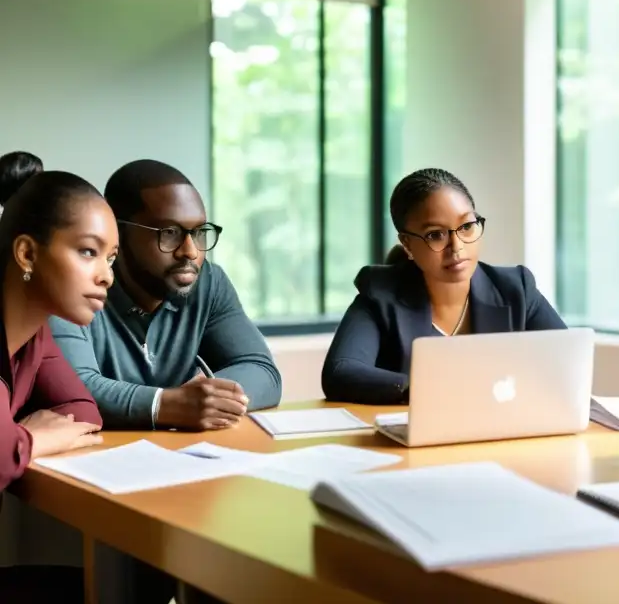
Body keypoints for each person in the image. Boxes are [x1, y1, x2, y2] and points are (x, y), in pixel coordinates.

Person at [50, 159, 282, 430]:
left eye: (198, 233)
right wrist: (167, 404)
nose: (190, 251)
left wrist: (205, 398)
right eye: (169, 233)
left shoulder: (207, 282)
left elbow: (261, 371)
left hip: (180, 457)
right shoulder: (73, 284)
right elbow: (75, 390)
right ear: (118, 235)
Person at [322, 168, 566, 404]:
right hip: (415, 440)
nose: (457, 247)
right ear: (407, 244)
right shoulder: (380, 295)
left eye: (467, 226)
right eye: (436, 235)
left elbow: (566, 360)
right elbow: (341, 371)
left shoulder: (516, 289)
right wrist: (427, 389)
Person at [0, 170, 115, 603]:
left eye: (111, 259)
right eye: (89, 252)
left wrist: (17, 439)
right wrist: (30, 438)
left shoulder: (35, 333)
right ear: (27, 252)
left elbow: (82, 411)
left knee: (119, 588)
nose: (106, 276)